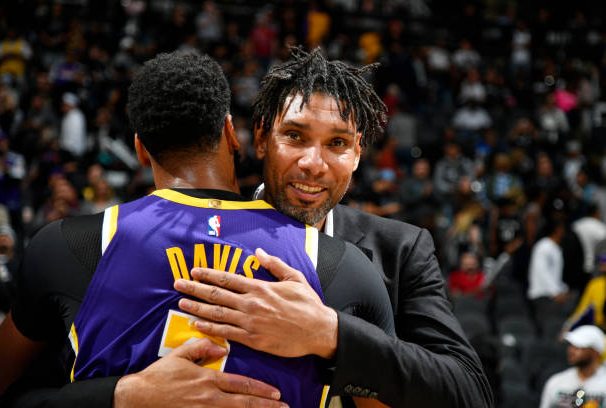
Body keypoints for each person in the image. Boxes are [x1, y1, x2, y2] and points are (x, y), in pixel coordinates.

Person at [0, 51, 394, 408]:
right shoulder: (343, 268)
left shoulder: (68, 247)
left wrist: (119, 396)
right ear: (231, 132)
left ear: (140, 149)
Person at [174, 47, 494, 406]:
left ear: (357, 153)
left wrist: (331, 335)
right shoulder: (194, 232)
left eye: (337, 143)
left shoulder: (401, 249)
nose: (314, 164)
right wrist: (123, 394)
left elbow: (470, 393)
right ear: (262, 139)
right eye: (295, 136)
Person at [539, 325, 606, 408]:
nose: (571, 350)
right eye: (571, 345)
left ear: (595, 352)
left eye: (579, 347)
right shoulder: (556, 381)